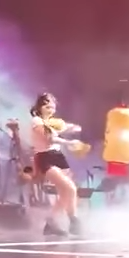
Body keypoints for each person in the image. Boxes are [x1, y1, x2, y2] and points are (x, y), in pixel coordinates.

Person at [28, 94, 84, 238]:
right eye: (47, 107)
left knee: (66, 192)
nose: (51, 110)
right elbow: (49, 139)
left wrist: (73, 128)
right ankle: (73, 220)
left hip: (58, 156)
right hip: (45, 157)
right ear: (39, 107)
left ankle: (51, 223)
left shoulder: (52, 122)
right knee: (69, 188)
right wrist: (69, 142)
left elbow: (62, 128)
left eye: (52, 107)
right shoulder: (37, 121)